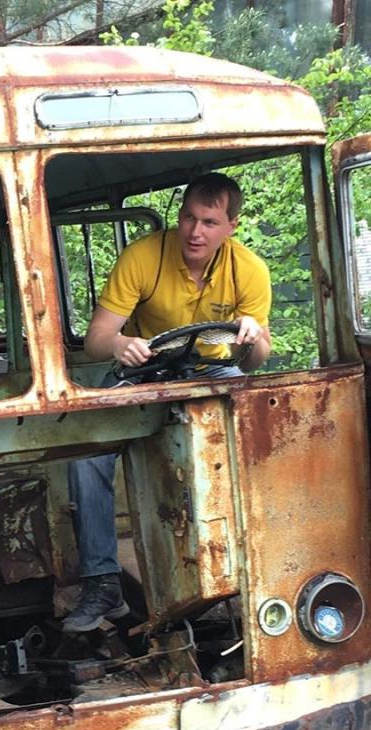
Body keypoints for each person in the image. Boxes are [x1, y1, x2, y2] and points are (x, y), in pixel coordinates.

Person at [63, 172, 272, 633]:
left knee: (264, 432)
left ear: (231, 226)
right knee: (84, 452)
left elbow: (257, 361)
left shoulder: (250, 270)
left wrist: (253, 336)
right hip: (142, 370)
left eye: (210, 222)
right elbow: (96, 340)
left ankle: (262, 558)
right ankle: (102, 583)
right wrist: (120, 345)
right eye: (189, 218)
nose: (196, 232)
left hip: (211, 369)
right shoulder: (142, 257)